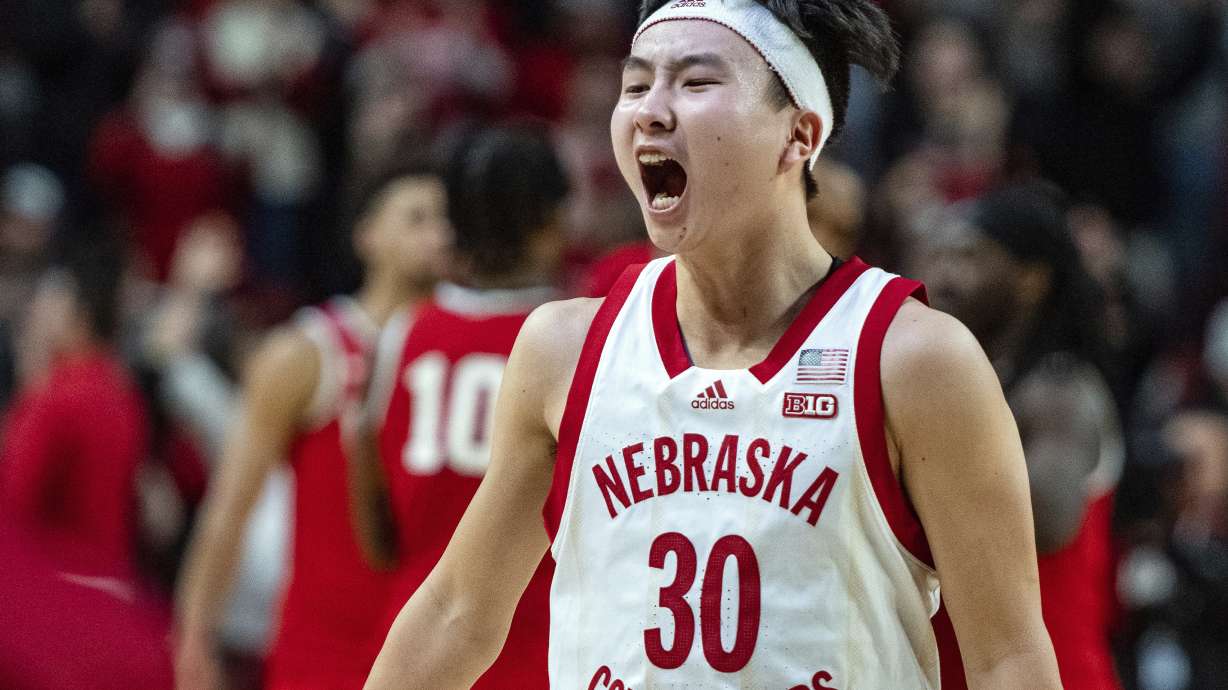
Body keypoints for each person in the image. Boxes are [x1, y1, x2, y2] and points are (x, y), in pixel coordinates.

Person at [366, 1, 1059, 688]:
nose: (650, 110)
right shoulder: (564, 349)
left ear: (798, 135)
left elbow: (1008, 661)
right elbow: (457, 615)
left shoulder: (914, 359)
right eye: (636, 84)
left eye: (696, 83)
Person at [173, 160, 450, 690]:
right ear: (367, 235)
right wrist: (195, 637)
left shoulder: (468, 354)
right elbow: (230, 507)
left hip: (433, 656)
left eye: (445, 220)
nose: (438, 234)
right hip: (326, 657)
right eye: (417, 218)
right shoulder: (305, 353)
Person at [350, 124, 568, 688]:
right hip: (538, 652)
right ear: (550, 225)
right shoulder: (573, 342)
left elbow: (373, 525)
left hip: (415, 645)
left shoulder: (401, 332)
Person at [912, 184, 1124, 690]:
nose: (943, 276)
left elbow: (1047, 519)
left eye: (968, 257)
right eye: (936, 255)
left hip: (1054, 673)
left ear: (1031, 280)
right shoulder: (952, 383)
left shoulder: (1059, 392)